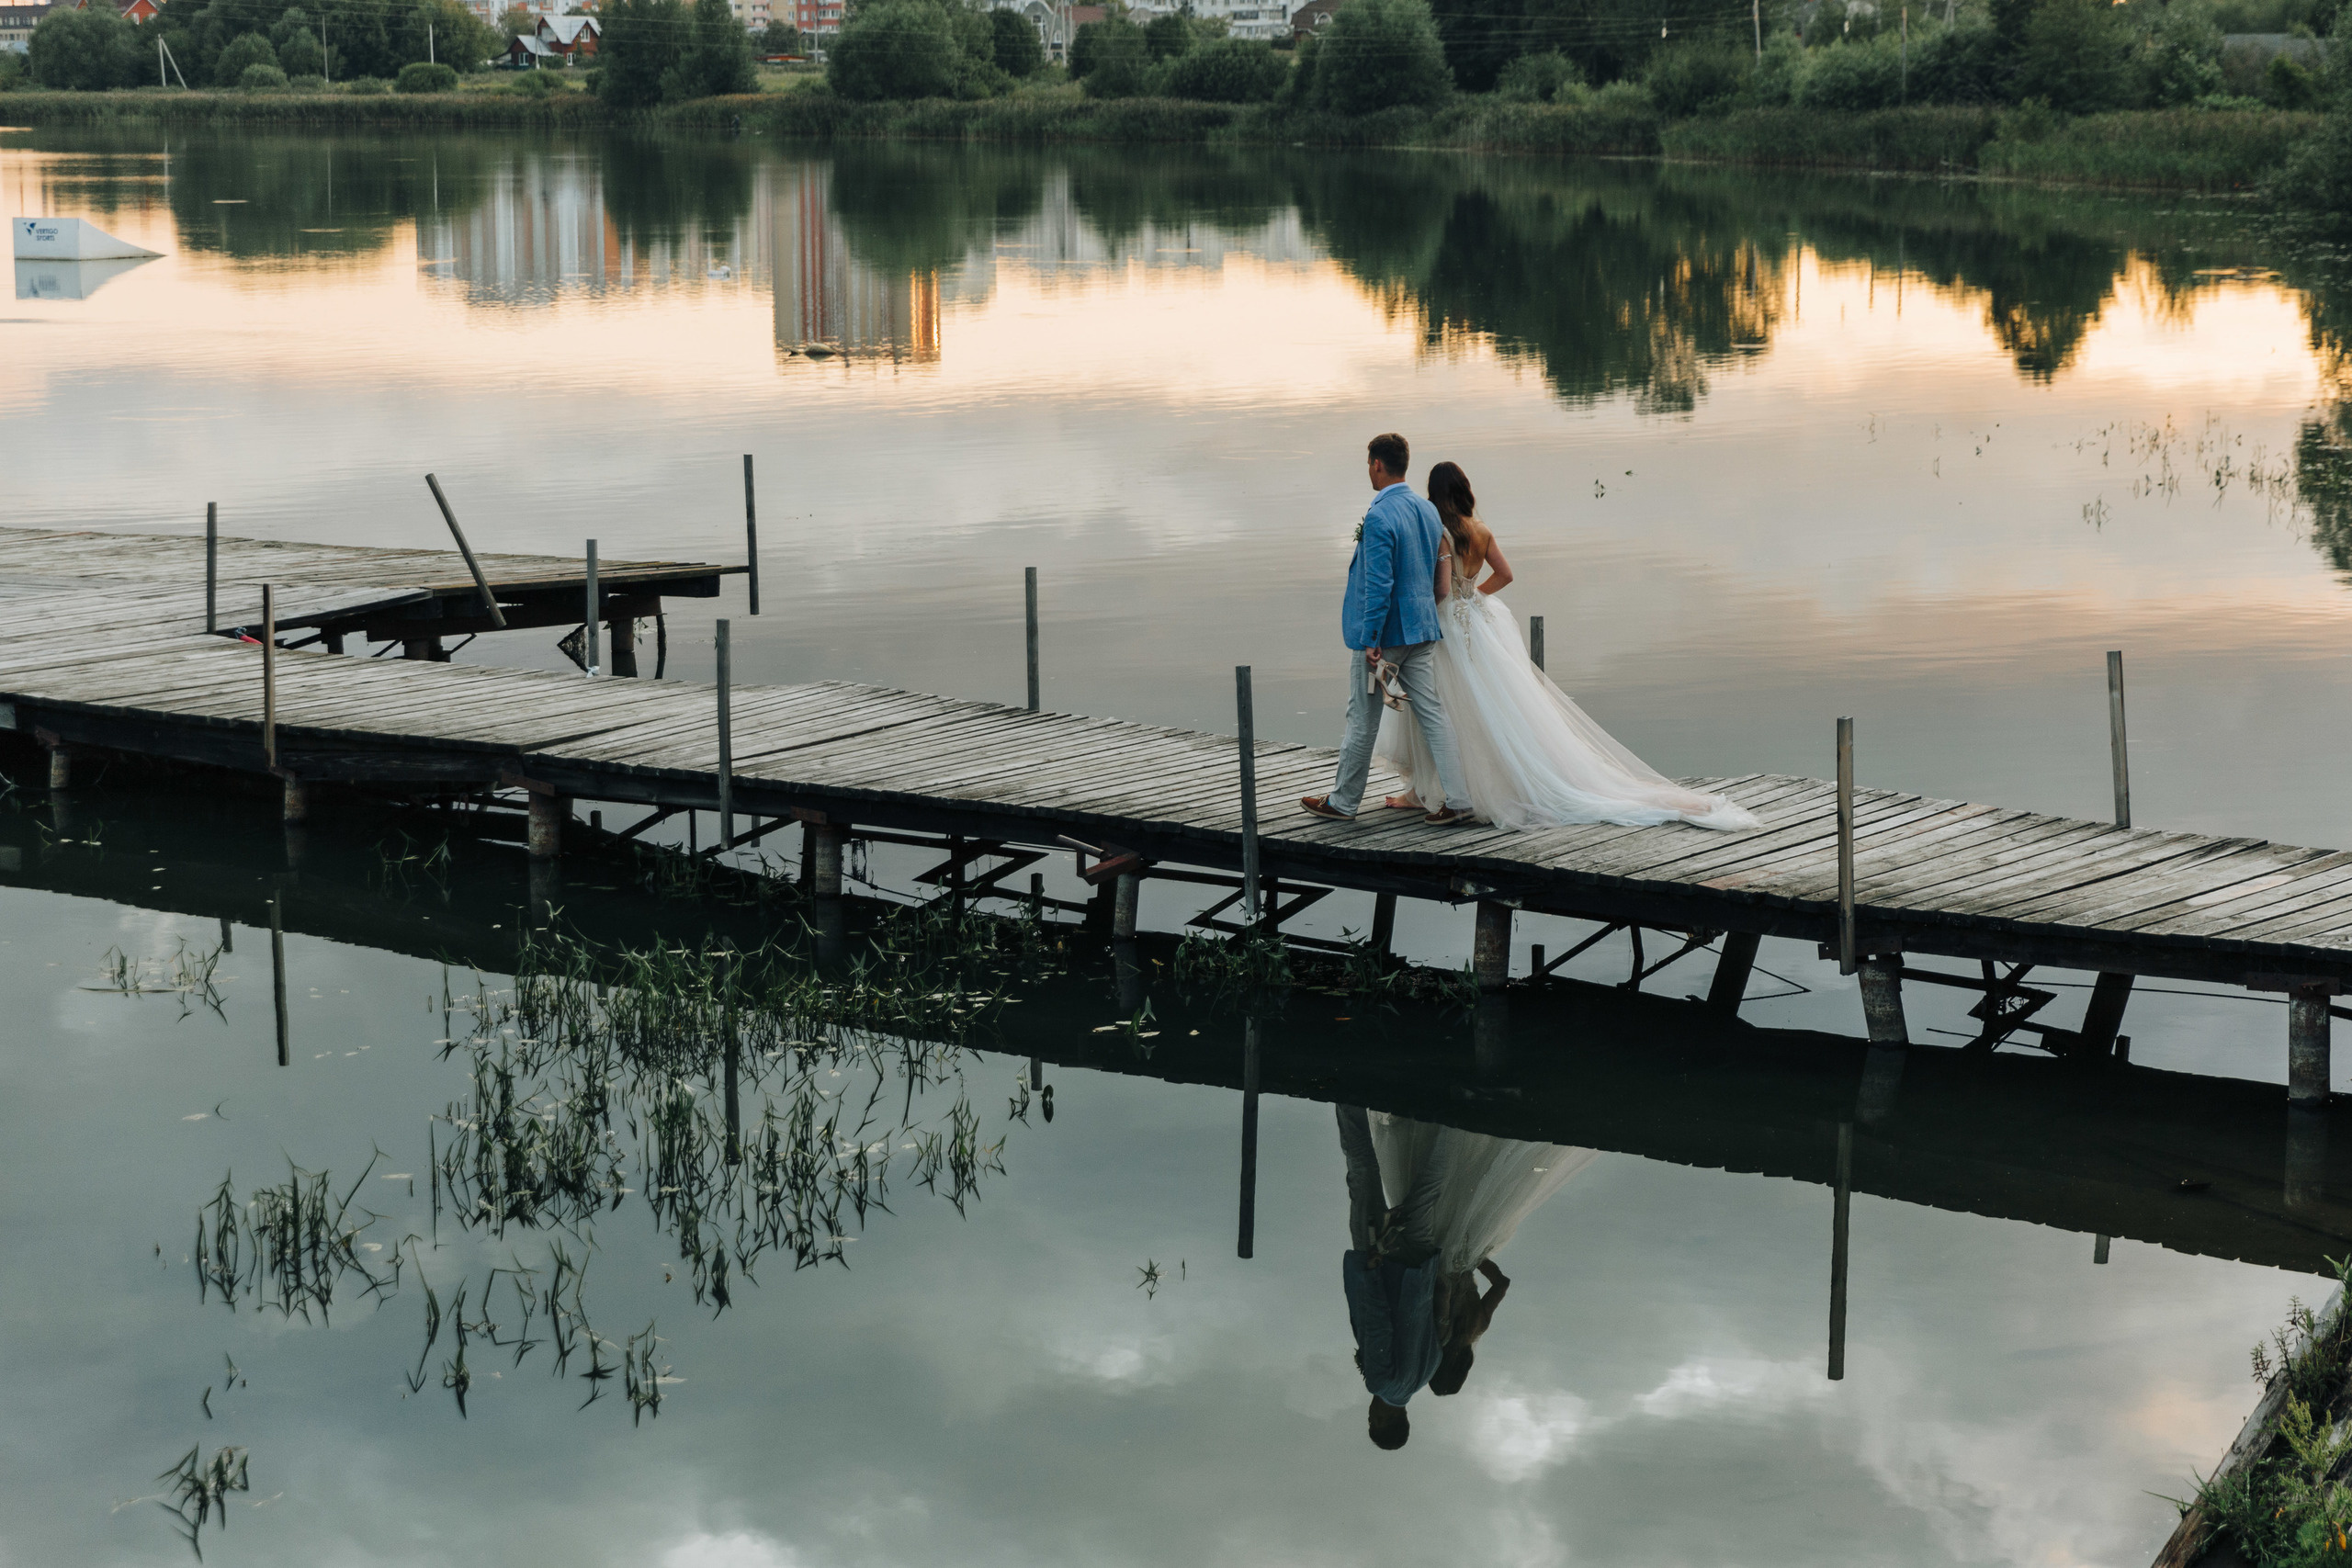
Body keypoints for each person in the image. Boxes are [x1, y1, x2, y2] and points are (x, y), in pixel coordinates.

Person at [1374, 461, 1759, 832]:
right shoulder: (1482, 530)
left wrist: (1452, 599)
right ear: (1464, 490)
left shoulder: (1439, 531)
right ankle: (1444, 788)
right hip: (1476, 623)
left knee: (1438, 708)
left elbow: (1438, 588)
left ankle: (1425, 790)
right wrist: (1473, 597)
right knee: (1484, 706)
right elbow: (1505, 575)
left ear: (1434, 494)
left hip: (1446, 625)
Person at [1302, 433, 1476, 828]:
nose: (1369, 470)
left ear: (1377, 464)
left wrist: (1371, 639)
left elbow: (1378, 584)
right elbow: (1436, 577)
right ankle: (1460, 799)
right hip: (1423, 630)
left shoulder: (1381, 514)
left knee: (1362, 717)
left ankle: (1343, 802)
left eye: (1369, 464)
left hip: (1388, 636)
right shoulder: (1428, 511)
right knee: (1434, 714)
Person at [1367, 1114, 1600, 1402]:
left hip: (1463, 1256)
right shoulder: (1433, 1335)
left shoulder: (1477, 1326)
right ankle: (1446, 1124)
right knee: (1432, 1187)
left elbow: (1501, 1284)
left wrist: (1475, 1259)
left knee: (1469, 1185)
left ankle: (1466, 1130)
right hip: (1434, 1255)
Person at [1337, 1104, 1449, 1450]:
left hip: (1418, 1269)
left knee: (1430, 1188)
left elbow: (1436, 1320)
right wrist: (1371, 1272)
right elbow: (1378, 1324)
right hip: (1382, 1263)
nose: (1369, 1413)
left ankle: (1455, 1122)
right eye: (1372, 1419)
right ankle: (1348, 1097)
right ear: (1383, 1419)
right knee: (1362, 1172)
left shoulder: (1427, 1373)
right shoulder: (1380, 1384)